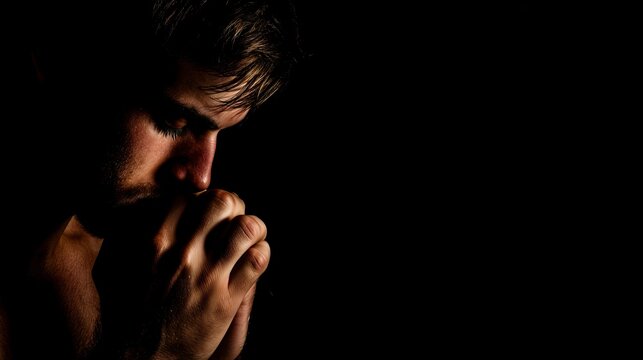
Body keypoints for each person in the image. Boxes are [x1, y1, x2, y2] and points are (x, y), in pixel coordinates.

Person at [0, 0, 300, 359]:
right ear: (58, 59)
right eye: (174, 122)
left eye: (218, 133)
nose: (201, 177)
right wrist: (165, 353)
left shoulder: (125, 266)